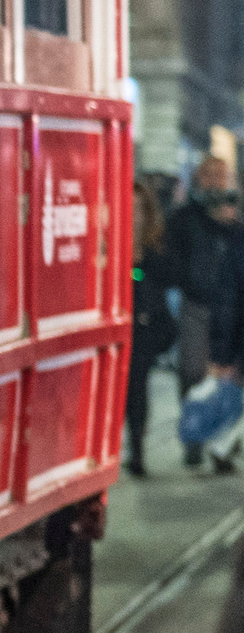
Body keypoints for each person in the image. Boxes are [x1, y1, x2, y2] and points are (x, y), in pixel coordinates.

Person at [168, 159, 243, 466]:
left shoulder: (235, 216)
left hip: (233, 306)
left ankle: (222, 445)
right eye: (210, 176)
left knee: (231, 375)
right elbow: (174, 256)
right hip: (198, 303)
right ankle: (196, 435)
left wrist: (232, 222)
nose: (215, 183)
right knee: (192, 371)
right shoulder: (186, 216)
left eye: (221, 177)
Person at [130, 177, 177, 477]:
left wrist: (138, 268)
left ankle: (136, 449)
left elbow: (167, 278)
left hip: (145, 327)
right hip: (122, 322)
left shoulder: (156, 245)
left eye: (138, 209)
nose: (133, 215)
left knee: (137, 387)